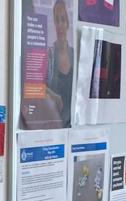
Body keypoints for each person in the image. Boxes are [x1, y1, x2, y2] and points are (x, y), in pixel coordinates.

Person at [47, 0, 73, 128]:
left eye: (63, 20)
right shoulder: (48, 55)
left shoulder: (75, 55)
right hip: (52, 127)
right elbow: (34, 86)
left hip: (74, 128)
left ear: (68, 23)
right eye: (56, 20)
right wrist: (53, 95)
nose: (60, 25)